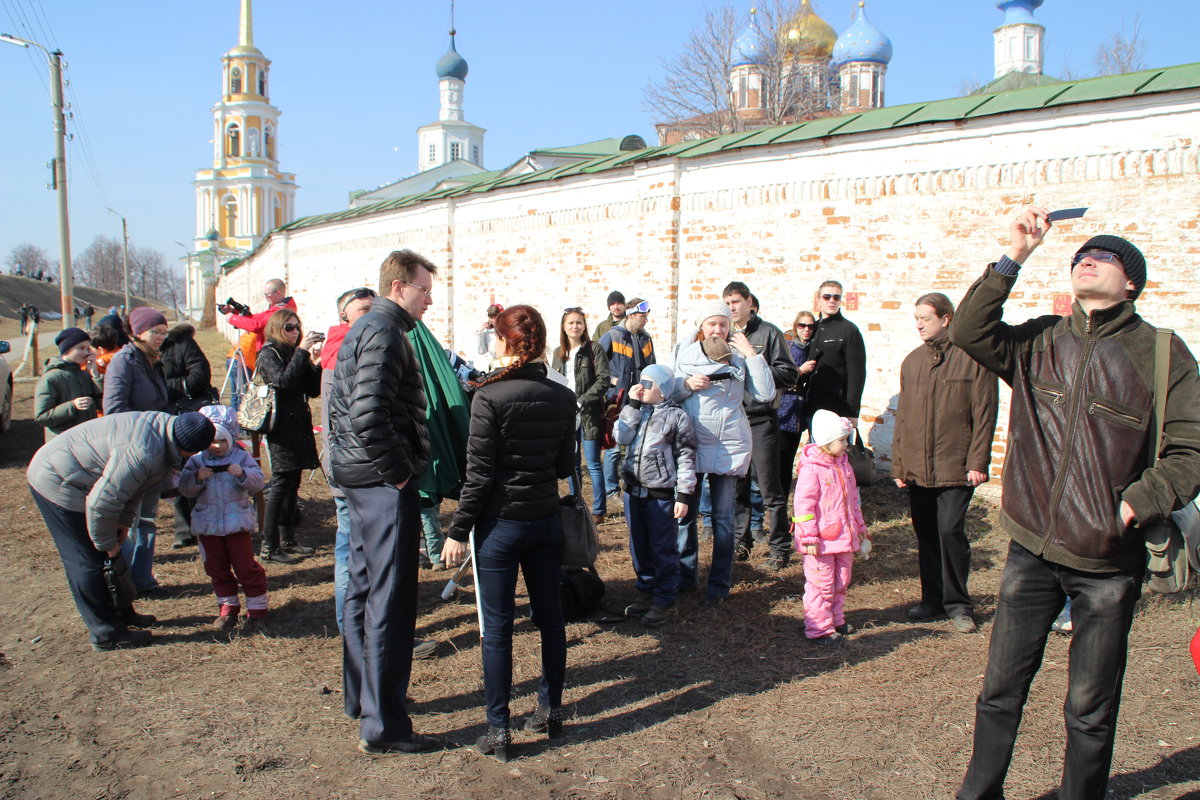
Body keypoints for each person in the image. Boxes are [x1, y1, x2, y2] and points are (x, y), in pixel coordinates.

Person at [952, 208, 1200, 800]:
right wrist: (1015, 254)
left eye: (1104, 256)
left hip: (1108, 562)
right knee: (999, 691)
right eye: (1079, 256)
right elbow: (967, 332)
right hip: (1031, 547)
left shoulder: (1163, 355)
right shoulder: (1040, 339)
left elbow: (1190, 450)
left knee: (1090, 708)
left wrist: (1133, 506)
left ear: (1131, 281)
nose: (1086, 259)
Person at [442, 305, 576, 762]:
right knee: (550, 619)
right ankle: (551, 709)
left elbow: (477, 476)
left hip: (499, 526)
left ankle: (499, 731)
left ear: (503, 342)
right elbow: (564, 466)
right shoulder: (562, 396)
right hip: (543, 520)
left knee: (496, 631)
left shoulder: (489, 398)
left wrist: (457, 529)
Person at [328, 249, 440, 756]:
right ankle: (384, 724)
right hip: (378, 482)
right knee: (389, 602)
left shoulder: (370, 329)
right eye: (423, 289)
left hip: (359, 476)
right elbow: (367, 412)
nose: (429, 299)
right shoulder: (382, 331)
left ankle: (362, 699)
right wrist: (397, 475)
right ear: (398, 287)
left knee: (364, 588)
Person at [27, 411, 216, 651]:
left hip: (86, 478)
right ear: (186, 448)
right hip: (57, 478)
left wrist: (123, 523)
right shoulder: (143, 451)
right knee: (88, 559)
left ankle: (123, 613)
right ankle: (107, 633)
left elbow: (136, 487)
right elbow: (102, 501)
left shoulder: (164, 432)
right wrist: (105, 542)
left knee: (111, 555)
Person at [892, 292, 998, 634]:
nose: (920, 324)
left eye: (926, 317)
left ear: (946, 319)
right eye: (917, 318)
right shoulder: (912, 362)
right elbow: (904, 417)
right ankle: (932, 600)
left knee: (950, 531)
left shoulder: (973, 359)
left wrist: (978, 460)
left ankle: (958, 605)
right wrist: (899, 465)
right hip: (917, 468)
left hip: (956, 465)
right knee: (925, 533)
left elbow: (984, 414)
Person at [672, 302, 775, 607]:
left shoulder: (741, 359)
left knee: (723, 518)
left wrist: (752, 355)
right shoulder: (683, 355)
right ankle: (685, 576)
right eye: (712, 324)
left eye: (723, 324)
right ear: (701, 327)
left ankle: (719, 584)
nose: (718, 330)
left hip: (729, 445)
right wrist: (687, 385)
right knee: (685, 515)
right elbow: (666, 393)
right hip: (692, 444)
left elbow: (766, 394)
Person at [723, 282, 799, 570]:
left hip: (761, 420)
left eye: (736, 301)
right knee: (737, 488)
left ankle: (779, 548)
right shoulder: (725, 334)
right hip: (734, 420)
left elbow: (789, 373)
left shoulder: (768, 332)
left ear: (749, 302)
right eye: (728, 302)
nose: (732, 307)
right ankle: (742, 542)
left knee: (771, 489)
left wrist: (755, 360)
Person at [615, 363, 697, 627]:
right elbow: (621, 437)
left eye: (648, 384)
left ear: (662, 390)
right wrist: (632, 407)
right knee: (638, 546)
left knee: (662, 548)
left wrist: (683, 495)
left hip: (659, 495)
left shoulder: (676, 417)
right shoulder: (636, 411)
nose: (642, 388)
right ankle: (645, 590)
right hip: (633, 492)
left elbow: (686, 456)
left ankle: (664, 598)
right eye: (640, 382)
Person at [103, 307, 171, 595]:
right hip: (132, 451)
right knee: (130, 519)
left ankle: (143, 578)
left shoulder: (152, 361)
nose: (161, 337)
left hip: (154, 451)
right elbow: (114, 409)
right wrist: (147, 429)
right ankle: (127, 579)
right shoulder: (123, 362)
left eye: (164, 332)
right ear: (137, 332)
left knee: (147, 518)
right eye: (155, 332)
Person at [178, 417, 268, 630]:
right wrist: (197, 478)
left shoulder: (241, 457)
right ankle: (228, 609)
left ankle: (257, 610)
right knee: (216, 568)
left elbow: (258, 484)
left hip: (237, 524)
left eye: (221, 441)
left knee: (245, 566)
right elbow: (185, 489)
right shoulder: (197, 461)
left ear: (230, 439)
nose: (217, 446)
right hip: (208, 525)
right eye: (212, 441)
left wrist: (243, 474)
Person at [320, 288, 376, 633]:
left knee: (349, 549)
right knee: (357, 553)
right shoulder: (348, 351)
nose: (371, 314)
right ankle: (357, 628)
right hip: (355, 466)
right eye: (363, 309)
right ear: (345, 316)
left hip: (346, 462)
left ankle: (351, 626)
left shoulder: (336, 348)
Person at [793, 410, 871, 644]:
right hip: (821, 540)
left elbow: (852, 501)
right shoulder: (812, 469)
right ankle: (818, 627)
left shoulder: (845, 465)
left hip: (844, 536)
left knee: (841, 579)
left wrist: (860, 526)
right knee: (821, 583)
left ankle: (835, 619)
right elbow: (803, 506)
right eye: (841, 440)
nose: (846, 445)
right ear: (827, 442)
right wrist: (809, 537)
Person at [255, 309, 323, 564]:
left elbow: (311, 389)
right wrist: (302, 353)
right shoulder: (269, 354)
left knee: (292, 484)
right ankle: (268, 546)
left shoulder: (293, 353)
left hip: (298, 428)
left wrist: (314, 362)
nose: (295, 332)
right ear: (276, 329)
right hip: (280, 430)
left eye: (297, 327)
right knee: (280, 485)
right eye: (289, 327)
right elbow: (283, 382)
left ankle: (288, 539)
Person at [551, 307, 611, 526]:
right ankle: (577, 504)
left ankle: (598, 510)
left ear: (584, 325)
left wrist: (582, 400)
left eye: (579, 322)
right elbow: (554, 379)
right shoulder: (559, 352)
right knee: (571, 464)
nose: (575, 326)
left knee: (593, 463)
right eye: (571, 323)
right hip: (566, 414)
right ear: (564, 327)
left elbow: (603, 380)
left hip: (589, 413)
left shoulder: (594, 350)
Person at [161, 321, 217, 549]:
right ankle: (184, 531)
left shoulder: (183, 343)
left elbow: (199, 377)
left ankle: (205, 525)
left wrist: (163, 386)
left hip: (189, 413)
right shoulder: (142, 353)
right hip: (164, 416)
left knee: (197, 468)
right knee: (176, 472)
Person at [599, 298, 655, 504]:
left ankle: (633, 485)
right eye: (642, 317)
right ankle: (611, 489)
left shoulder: (646, 338)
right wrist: (613, 382)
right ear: (631, 315)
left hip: (641, 400)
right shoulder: (612, 337)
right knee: (614, 448)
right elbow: (598, 365)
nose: (646, 321)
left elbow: (652, 367)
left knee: (637, 444)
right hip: (618, 401)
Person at [804, 281, 866, 427]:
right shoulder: (812, 328)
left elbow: (857, 374)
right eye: (827, 297)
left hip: (837, 407)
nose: (832, 300)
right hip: (812, 403)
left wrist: (852, 411)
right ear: (818, 300)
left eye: (836, 297)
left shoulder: (849, 330)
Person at [34, 328, 101, 441]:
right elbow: (42, 417)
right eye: (81, 348)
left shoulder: (85, 375)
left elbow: (102, 405)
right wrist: (72, 406)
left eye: (88, 348)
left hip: (86, 440)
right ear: (67, 350)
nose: (86, 353)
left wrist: (95, 376)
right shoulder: (51, 378)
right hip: (61, 443)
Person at [778, 311, 818, 482]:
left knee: (788, 459)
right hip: (784, 408)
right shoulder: (787, 348)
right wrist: (800, 370)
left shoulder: (813, 350)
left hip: (800, 409)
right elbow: (779, 376)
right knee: (779, 458)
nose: (806, 330)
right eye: (802, 325)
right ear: (796, 327)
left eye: (810, 326)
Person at [218, 278, 296, 352]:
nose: (265, 297)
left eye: (267, 294)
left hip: (274, 353)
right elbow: (255, 318)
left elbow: (258, 325)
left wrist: (233, 318)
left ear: (278, 293)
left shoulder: (282, 311)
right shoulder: (277, 308)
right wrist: (234, 312)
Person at [476, 303, 503, 368]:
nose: (493, 320)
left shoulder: (507, 329)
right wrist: (480, 333)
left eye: (495, 317)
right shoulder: (488, 331)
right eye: (491, 318)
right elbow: (481, 351)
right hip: (494, 365)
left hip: (506, 363)